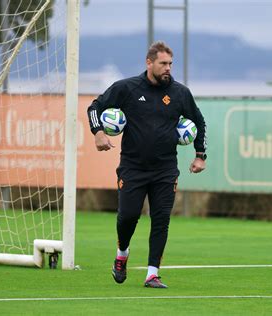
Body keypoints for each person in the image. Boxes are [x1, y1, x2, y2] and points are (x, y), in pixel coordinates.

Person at [87, 41, 207, 288]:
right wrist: (98, 132)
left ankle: (152, 273)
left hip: (165, 169)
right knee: (128, 217)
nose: (168, 69)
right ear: (149, 63)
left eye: (171, 64)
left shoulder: (180, 93)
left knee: (161, 220)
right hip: (132, 167)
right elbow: (94, 107)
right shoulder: (127, 88)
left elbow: (199, 121)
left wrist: (200, 155)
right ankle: (122, 255)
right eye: (163, 63)